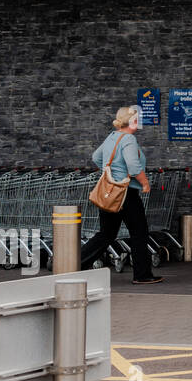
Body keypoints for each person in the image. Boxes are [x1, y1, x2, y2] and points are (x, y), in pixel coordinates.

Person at [79, 105, 163, 284]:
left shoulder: (112, 136)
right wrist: (145, 183)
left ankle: (75, 265)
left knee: (106, 233)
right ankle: (142, 275)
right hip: (126, 193)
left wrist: (110, 172)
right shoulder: (128, 140)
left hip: (110, 191)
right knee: (139, 232)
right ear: (131, 121)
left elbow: (96, 157)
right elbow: (133, 166)